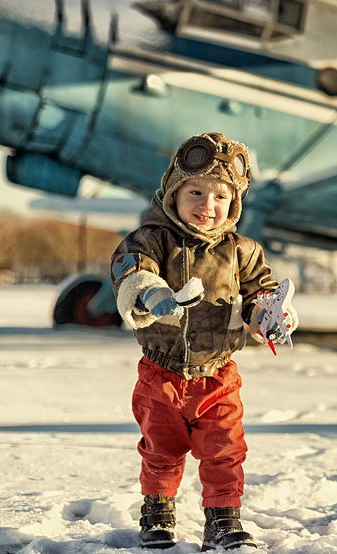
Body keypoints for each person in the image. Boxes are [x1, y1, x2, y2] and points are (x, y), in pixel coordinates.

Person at [110, 132, 297, 550]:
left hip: (218, 375)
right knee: (161, 448)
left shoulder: (243, 252)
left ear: (234, 205)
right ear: (172, 192)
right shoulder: (151, 239)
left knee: (225, 449)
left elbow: (260, 293)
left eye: (220, 198)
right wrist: (150, 293)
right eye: (195, 192)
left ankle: (223, 517)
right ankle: (157, 511)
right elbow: (130, 269)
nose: (207, 206)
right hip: (161, 372)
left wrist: (269, 316)